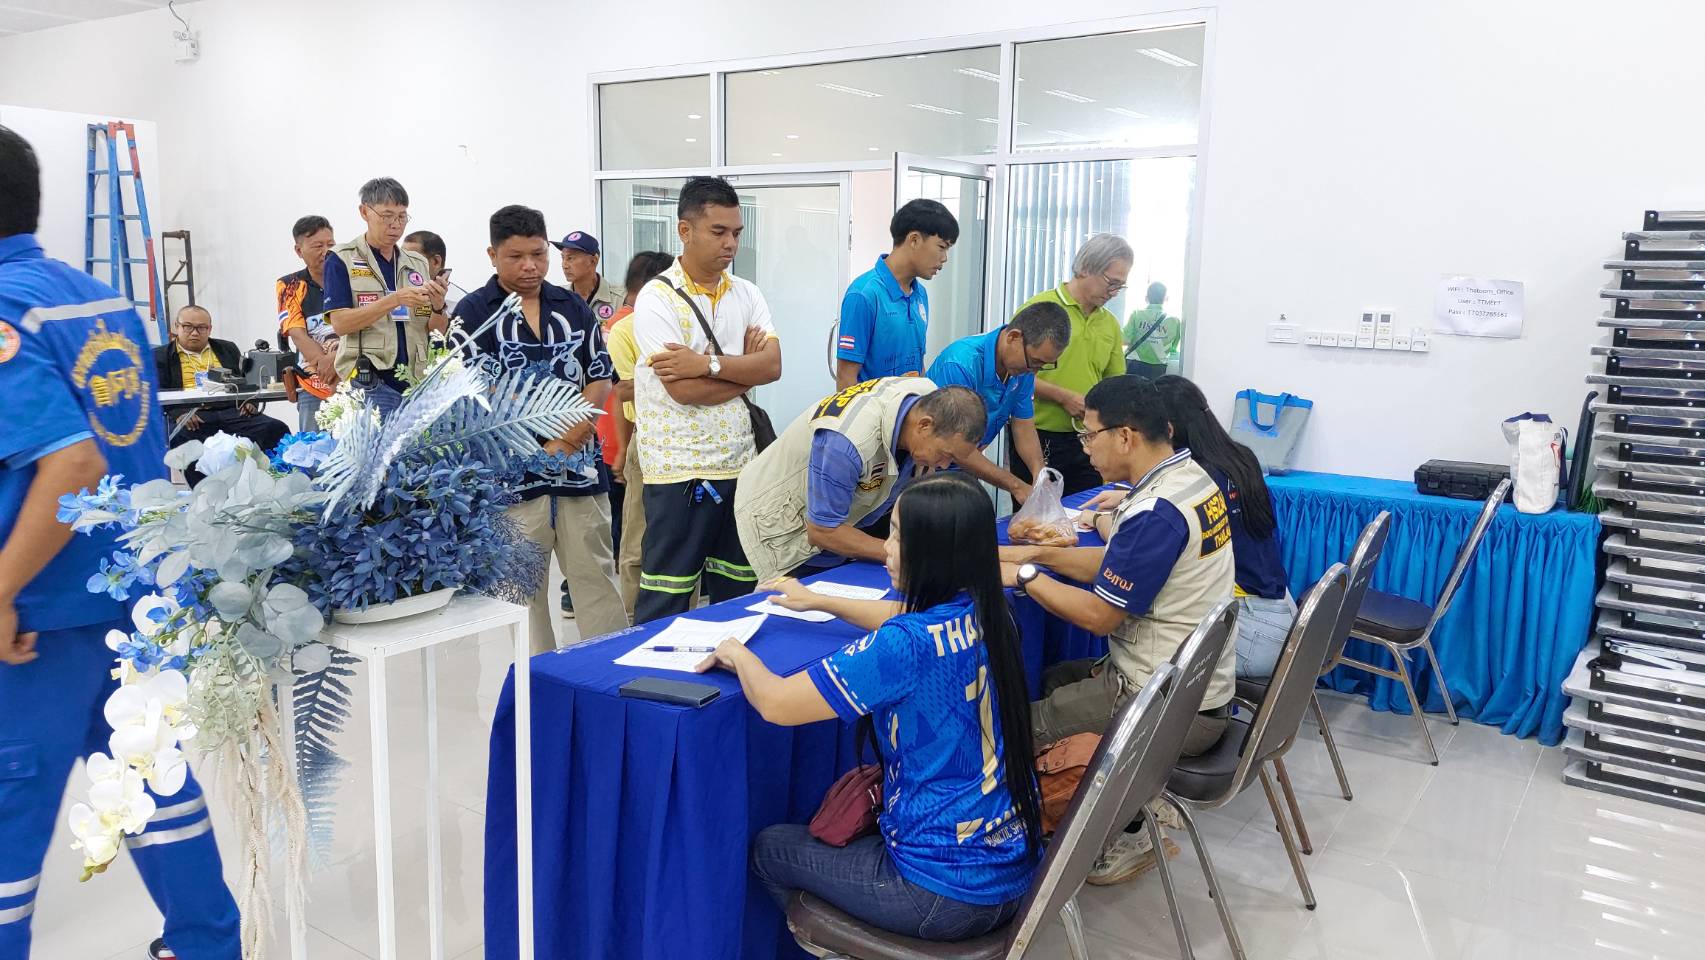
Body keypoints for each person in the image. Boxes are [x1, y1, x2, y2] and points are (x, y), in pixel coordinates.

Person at [0, 124, 242, 960]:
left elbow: (71, 461)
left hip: (39, 618)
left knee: (9, 814)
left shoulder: (4, 311)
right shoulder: (98, 299)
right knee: (151, 781)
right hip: (134, 602)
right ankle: (207, 945)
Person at [719, 473, 1042, 942]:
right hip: (1016, 872)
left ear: (934, 551)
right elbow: (910, 618)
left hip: (939, 893)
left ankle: (843, 948)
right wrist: (821, 600)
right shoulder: (993, 611)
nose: (886, 549)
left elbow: (777, 704)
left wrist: (735, 652)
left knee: (771, 849)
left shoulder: (903, 645)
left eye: (896, 536)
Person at [999, 375, 1233, 885]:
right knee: (1053, 678)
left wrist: (1025, 575)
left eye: (1089, 435)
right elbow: (1116, 562)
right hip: (1194, 685)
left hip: (1161, 702)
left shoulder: (1158, 512)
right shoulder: (1190, 479)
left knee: (1011, 724)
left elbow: (1099, 616)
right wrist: (1035, 553)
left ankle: (1102, 837)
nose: (1085, 447)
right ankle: (1114, 812)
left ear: (1124, 436)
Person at [455, 205, 627, 651]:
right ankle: (535, 682)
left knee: (596, 579)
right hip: (512, 479)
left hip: (579, 472)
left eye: (539, 254)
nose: (530, 266)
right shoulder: (473, 313)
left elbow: (600, 376)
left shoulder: (572, 306)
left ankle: (605, 672)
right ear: (492, 255)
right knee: (521, 594)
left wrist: (570, 435)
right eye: (516, 257)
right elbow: (480, 390)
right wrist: (544, 438)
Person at [631, 176, 782, 624]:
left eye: (736, 232)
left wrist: (706, 364)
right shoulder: (656, 298)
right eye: (719, 231)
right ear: (685, 230)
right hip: (679, 470)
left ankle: (732, 663)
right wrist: (743, 371)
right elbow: (684, 391)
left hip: (741, 464)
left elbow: (772, 366)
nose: (730, 243)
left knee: (738, 590)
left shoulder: (747, 293)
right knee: (668, 594)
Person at [736, 379, 986, 583]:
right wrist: (909, 556)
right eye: (945, 454)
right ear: (924, 425)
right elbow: (823, 531)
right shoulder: (846, 443)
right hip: (773, 526)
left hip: (844, 523)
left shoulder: (929, 400)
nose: (944, 466)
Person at [1153, 375, 1292, 678]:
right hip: (1280, 615)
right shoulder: (1239, 457)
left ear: (1168, 430)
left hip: (1252, 631)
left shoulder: (1196, 478)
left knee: (1145, 646)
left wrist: (1101, 520)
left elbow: (1155, 547)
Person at [1014, 233, 1133, 496]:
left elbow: (1115, 384)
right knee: (1037, 511)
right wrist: (1063, 397)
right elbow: (1012, 374)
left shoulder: (1110, 324)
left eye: (1120, 286)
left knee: (1085, 507)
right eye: (1111, 283)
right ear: (1085, 268)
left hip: (1091, 439)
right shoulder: (1040, 309)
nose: (1114, 292)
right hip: (1038, 434)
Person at [322, 177, 449, 418]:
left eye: (402, 217)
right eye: (387, 216)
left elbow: (435, 331)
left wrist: (438, 306)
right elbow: (340, 324)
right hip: (370, 381)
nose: (395, 225)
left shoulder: (417, 263)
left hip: (416, 382)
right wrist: (395, 300)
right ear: (364, 212)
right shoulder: (342, 258)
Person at [926, 301, 1071, 505]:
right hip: (930, 466)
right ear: (1013, 337)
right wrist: (1016, 485)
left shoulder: (1023, 370)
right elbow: (955, 446)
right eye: (1035, 362)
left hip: (966, 468)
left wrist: (1040, 475)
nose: (1035, 371)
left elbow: (1023, 426)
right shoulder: (961, 364)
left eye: (1043, 365)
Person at [551, 230, 624, 618]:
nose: (565, 263)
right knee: (572, 495)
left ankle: (600, 577)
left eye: (573, 256)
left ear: (593, 261)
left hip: (612, 402)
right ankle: (569, 586)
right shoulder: (556, 302)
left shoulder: (620, 299)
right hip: (570, 409)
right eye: (562, 256)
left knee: (605, 495)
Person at [604, 251, 675, 619]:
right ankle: (633, 616)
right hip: (646, 439)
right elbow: (622, 391)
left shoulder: (685, 322)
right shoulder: (623, 330)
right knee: (636, 536)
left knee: (678, 538)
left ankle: (681, 613)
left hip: (689, 440)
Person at [154, 304, 290, 486]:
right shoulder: (159, 355)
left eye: (201, 328)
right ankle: (205, 492)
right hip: (192, 415)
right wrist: (179, 413)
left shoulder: (227, 348)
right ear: (176, 327)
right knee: (182, 438)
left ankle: (275, 482)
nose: (194, 333)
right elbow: (158, 392)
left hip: (232, 411)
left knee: (275, 428)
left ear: (210, 329)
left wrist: (250, 402)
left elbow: (246, 380)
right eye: (187, 327)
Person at [834, 199, 957, 389]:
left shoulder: (920, 295)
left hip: (909, 405)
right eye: (942, 247)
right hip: (872, 407)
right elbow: (845, 379)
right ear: (914, 240)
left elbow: (917, 364)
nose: (945, 258)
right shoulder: (864, 295)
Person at [277, 214, 337, 431]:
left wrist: (337, 359)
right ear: (299, 250)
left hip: (352, 379)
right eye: (318, 246)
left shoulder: (350, 279)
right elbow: (297, 333)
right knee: (313, 447)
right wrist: (324, 365)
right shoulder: (289, 285)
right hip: (313, 383)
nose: (326, 251)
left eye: (330, 244)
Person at [555, 231, 625, 326]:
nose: (564, 265)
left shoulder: (620, 299)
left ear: (593, 261)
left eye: (570, 258)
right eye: (563, 258)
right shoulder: (558, 298)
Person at [1123, 281, 1180, 379]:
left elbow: (1125, 339)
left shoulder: (1136, 314)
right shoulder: (1174, 321)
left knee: (1131, 388)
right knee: (1152, 389)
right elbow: (1173, 348)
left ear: (1146, 298)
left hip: (1134, 363)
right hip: (1158, 367)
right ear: (1166, 298)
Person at [403, 229, 464, 316]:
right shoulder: (396, 294)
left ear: (436, 262)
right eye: (401, 258)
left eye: (412, 259)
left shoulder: (460, 303)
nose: (403, 265)